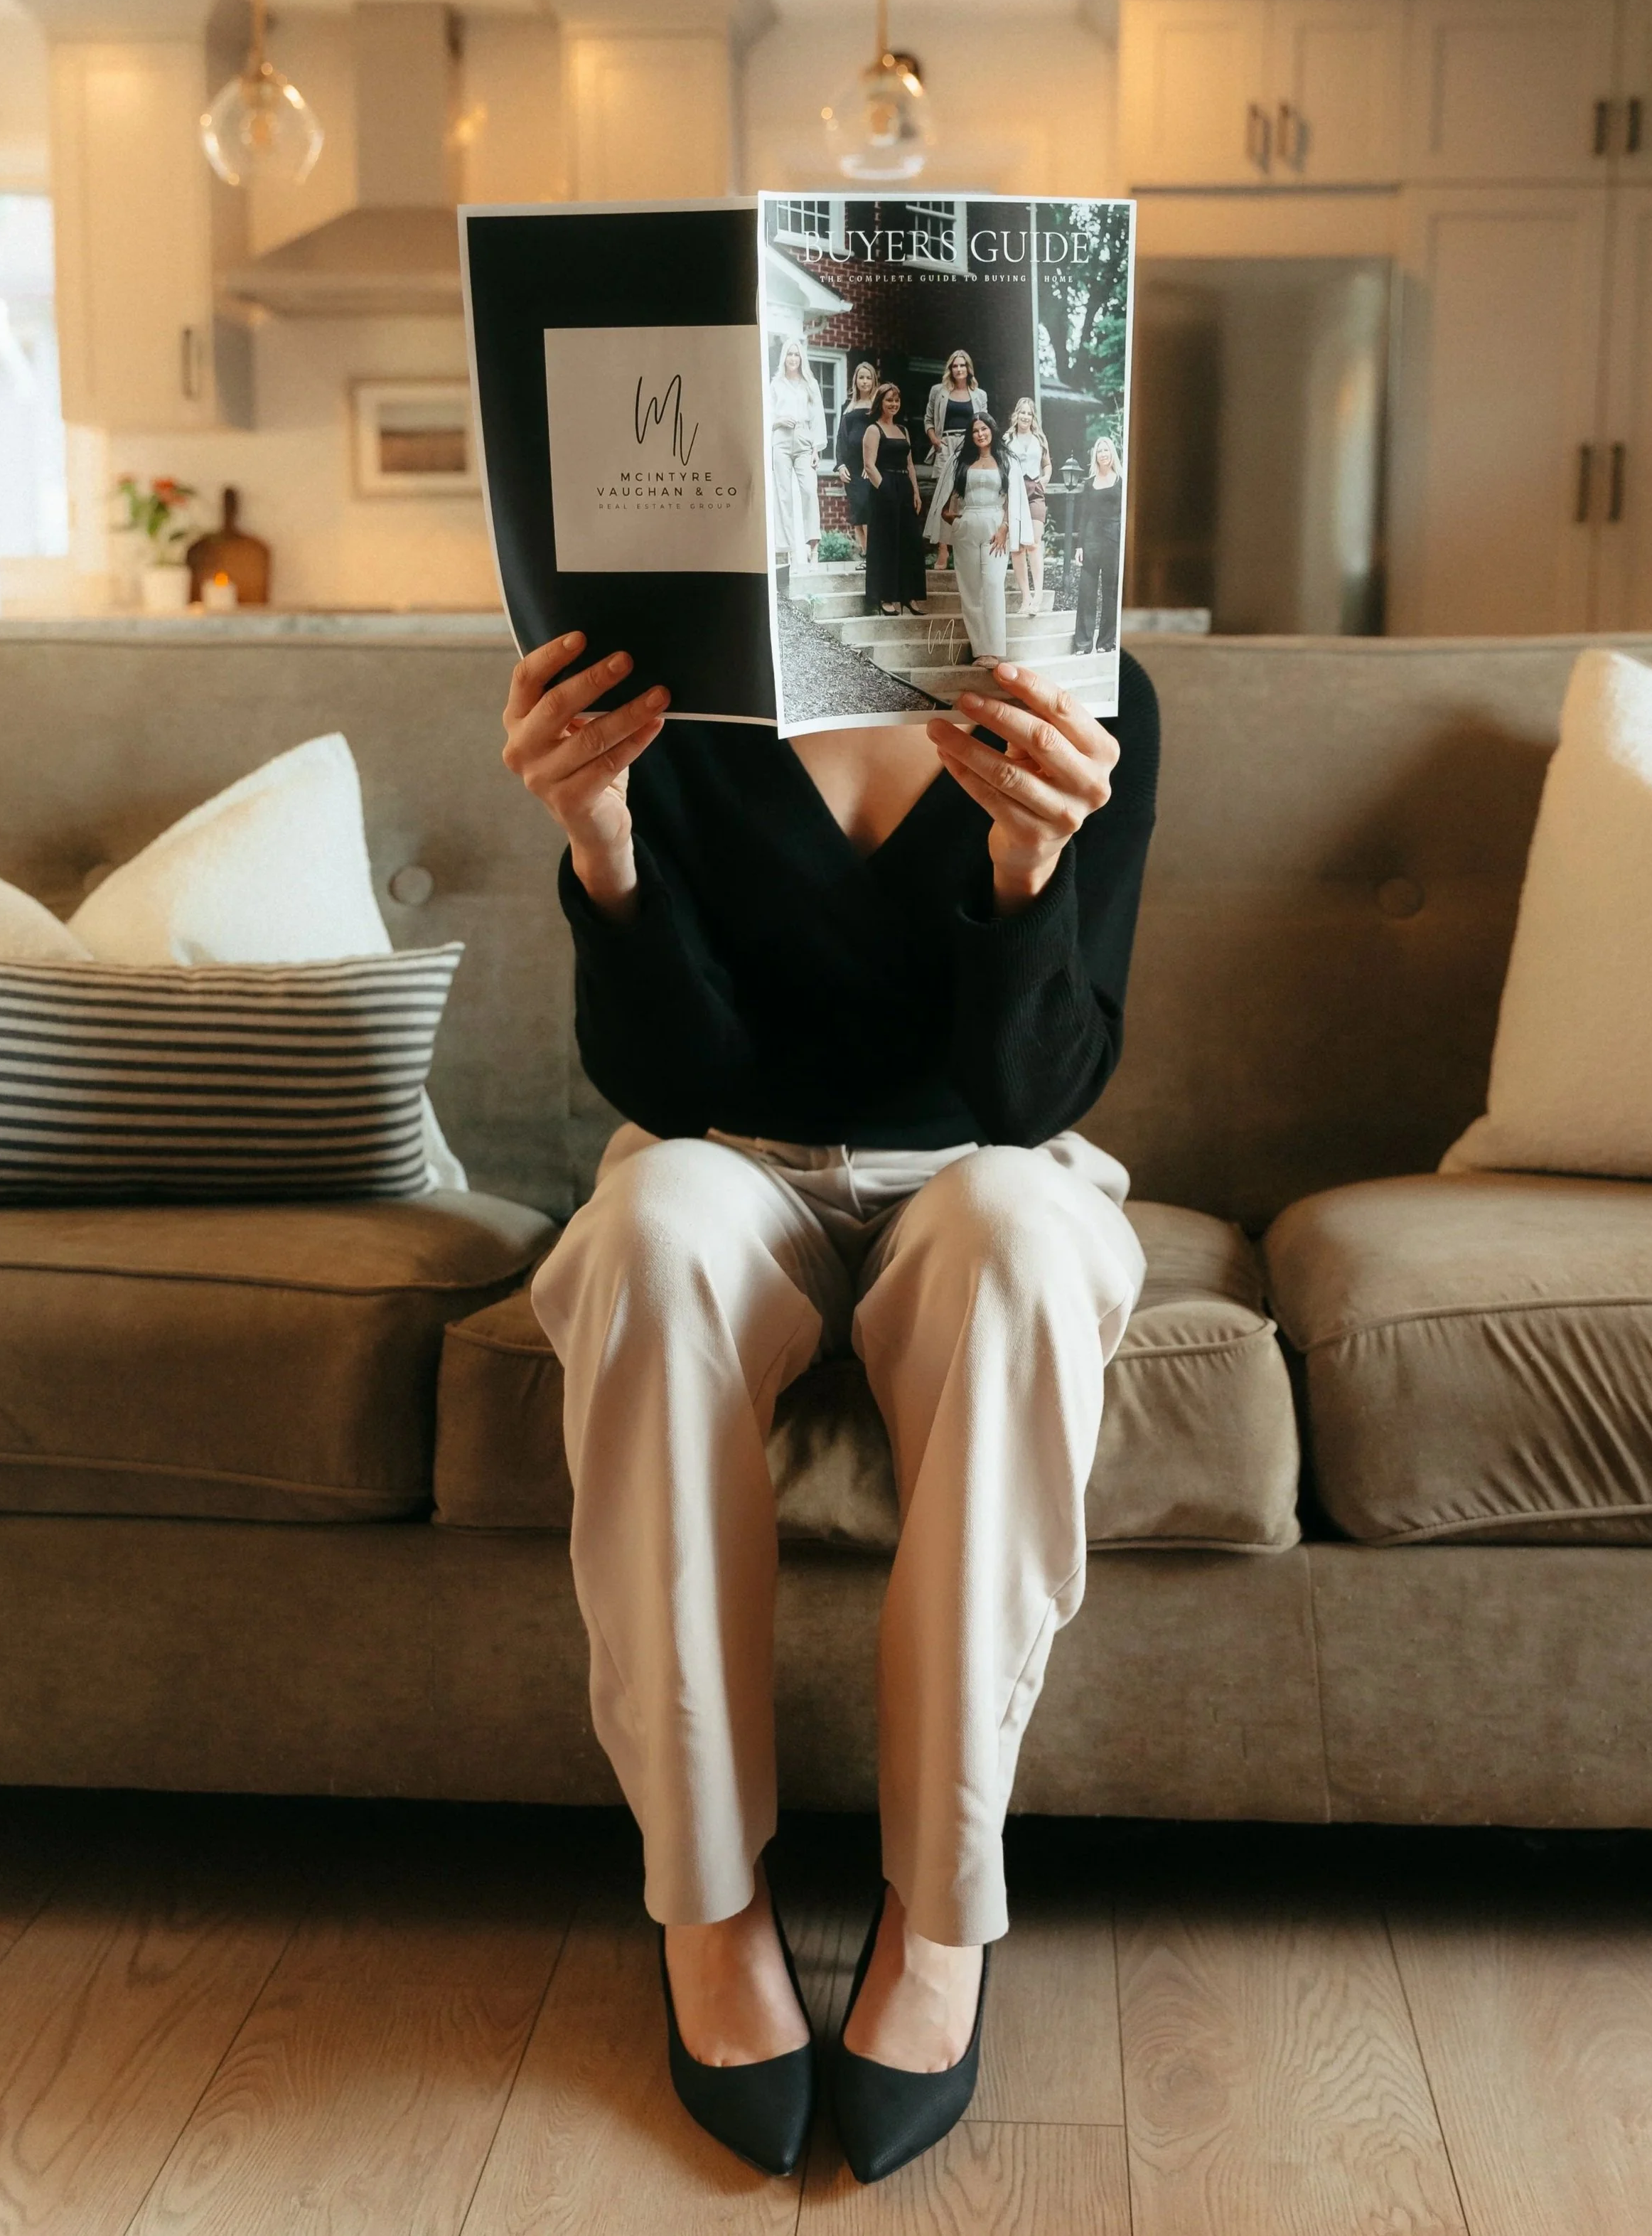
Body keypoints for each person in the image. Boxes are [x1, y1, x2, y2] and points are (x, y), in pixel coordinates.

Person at [500, 627, 1157, 2188]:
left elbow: (1032, 1097)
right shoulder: (656, 679)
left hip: (986, 1168)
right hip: (729, 1157)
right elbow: (671, 1083)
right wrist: (601, 844)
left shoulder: (1093, 690)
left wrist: (1028, 862)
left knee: (1008, 1232)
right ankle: (707, 1897)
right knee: (655, 1230)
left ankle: (939, 1915)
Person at [943, 411, 1013, 670]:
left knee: (993, 585)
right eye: (975, 431)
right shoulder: (962, 464)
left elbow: (1012, 499)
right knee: (971, 591)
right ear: (971, 436)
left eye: (984, 429)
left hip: (996, 527)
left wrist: (1005, 527)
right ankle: (980, 651)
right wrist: (958, 523)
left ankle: (994, 651)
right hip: (968, 527)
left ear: (992, 431)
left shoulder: (1005, 461)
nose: (980, 434)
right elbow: (946, 505)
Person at [860, 383, 926, 619]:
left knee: (910, 543)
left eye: (897, 400)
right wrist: (886, 490)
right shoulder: (873, 430)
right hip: (884, 488)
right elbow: (869, 465)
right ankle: (886, 597)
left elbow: (909, 464)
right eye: (889, 400)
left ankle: (909, 596)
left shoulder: (903, 430)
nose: (894, 404)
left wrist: (916, 492)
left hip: (905, 488)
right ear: (880, 402)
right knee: (886, 545)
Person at [922, 352, 987, 576]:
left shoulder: (979, 395)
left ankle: (965, 548)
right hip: (945, 444)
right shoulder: (938, 392)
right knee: (943, 498)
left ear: (968, 369)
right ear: (950, 369)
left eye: (963, 366)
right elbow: (929, 419)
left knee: (965, 497)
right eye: (955, 366)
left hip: (969, 446)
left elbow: (984, 424)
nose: (959, 370)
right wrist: (934, 439)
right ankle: (943, 549)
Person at [768, 342, 827, 565]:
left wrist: (816, 449)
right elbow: (767, 415)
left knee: (809, 492)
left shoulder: (810, 385)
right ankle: (789, 550)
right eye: (789, 354)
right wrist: (779, 421)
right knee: (783, 494)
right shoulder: (776, 385)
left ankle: (813, 547)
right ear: (784, 357)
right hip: (781, 440)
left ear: (802, 358)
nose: (793, 358)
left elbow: (818, 418)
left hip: (804, 440)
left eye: (797, 354)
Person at [1071, 437, 1125, 658]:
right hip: (1091, 542)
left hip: (1113, 541)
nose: (1103, 454)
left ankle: (1106, 642)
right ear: (1096, 455)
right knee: (1086, 593)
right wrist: (1079, 546)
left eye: (1106, 450)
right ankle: (1083, 644)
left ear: (1112, 453)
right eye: (1099, 450)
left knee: (1111, 593)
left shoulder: (1121, 481)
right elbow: (1083, 516)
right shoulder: (1089, 483)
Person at [1004, 398, 1053, 618]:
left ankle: (1039, 594)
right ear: (1016, 414)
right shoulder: (1007, 439)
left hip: (1034, 492)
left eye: (1029, 413)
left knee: (1034, 542)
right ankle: (1026, 597)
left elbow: (1047, 465)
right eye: (1022, 412)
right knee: (1017, 548)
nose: (1025, 416)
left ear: (1033, 417)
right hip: (1015, 492)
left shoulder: (1040, 438)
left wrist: (1044, 481)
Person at [835, 360, 879, 555]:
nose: (865, 381)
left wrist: (872, 464)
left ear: (874, 380)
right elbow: (840, 437)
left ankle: (873, 557)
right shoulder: (848, 405)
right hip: (851, 467)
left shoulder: (877, 405)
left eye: (868, 377)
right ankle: (866, 553)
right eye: (861, 377)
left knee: (867, 509)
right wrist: (840, 464)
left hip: (868, 466)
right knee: (856, 513)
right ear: (856, 380)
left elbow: (881, 434)